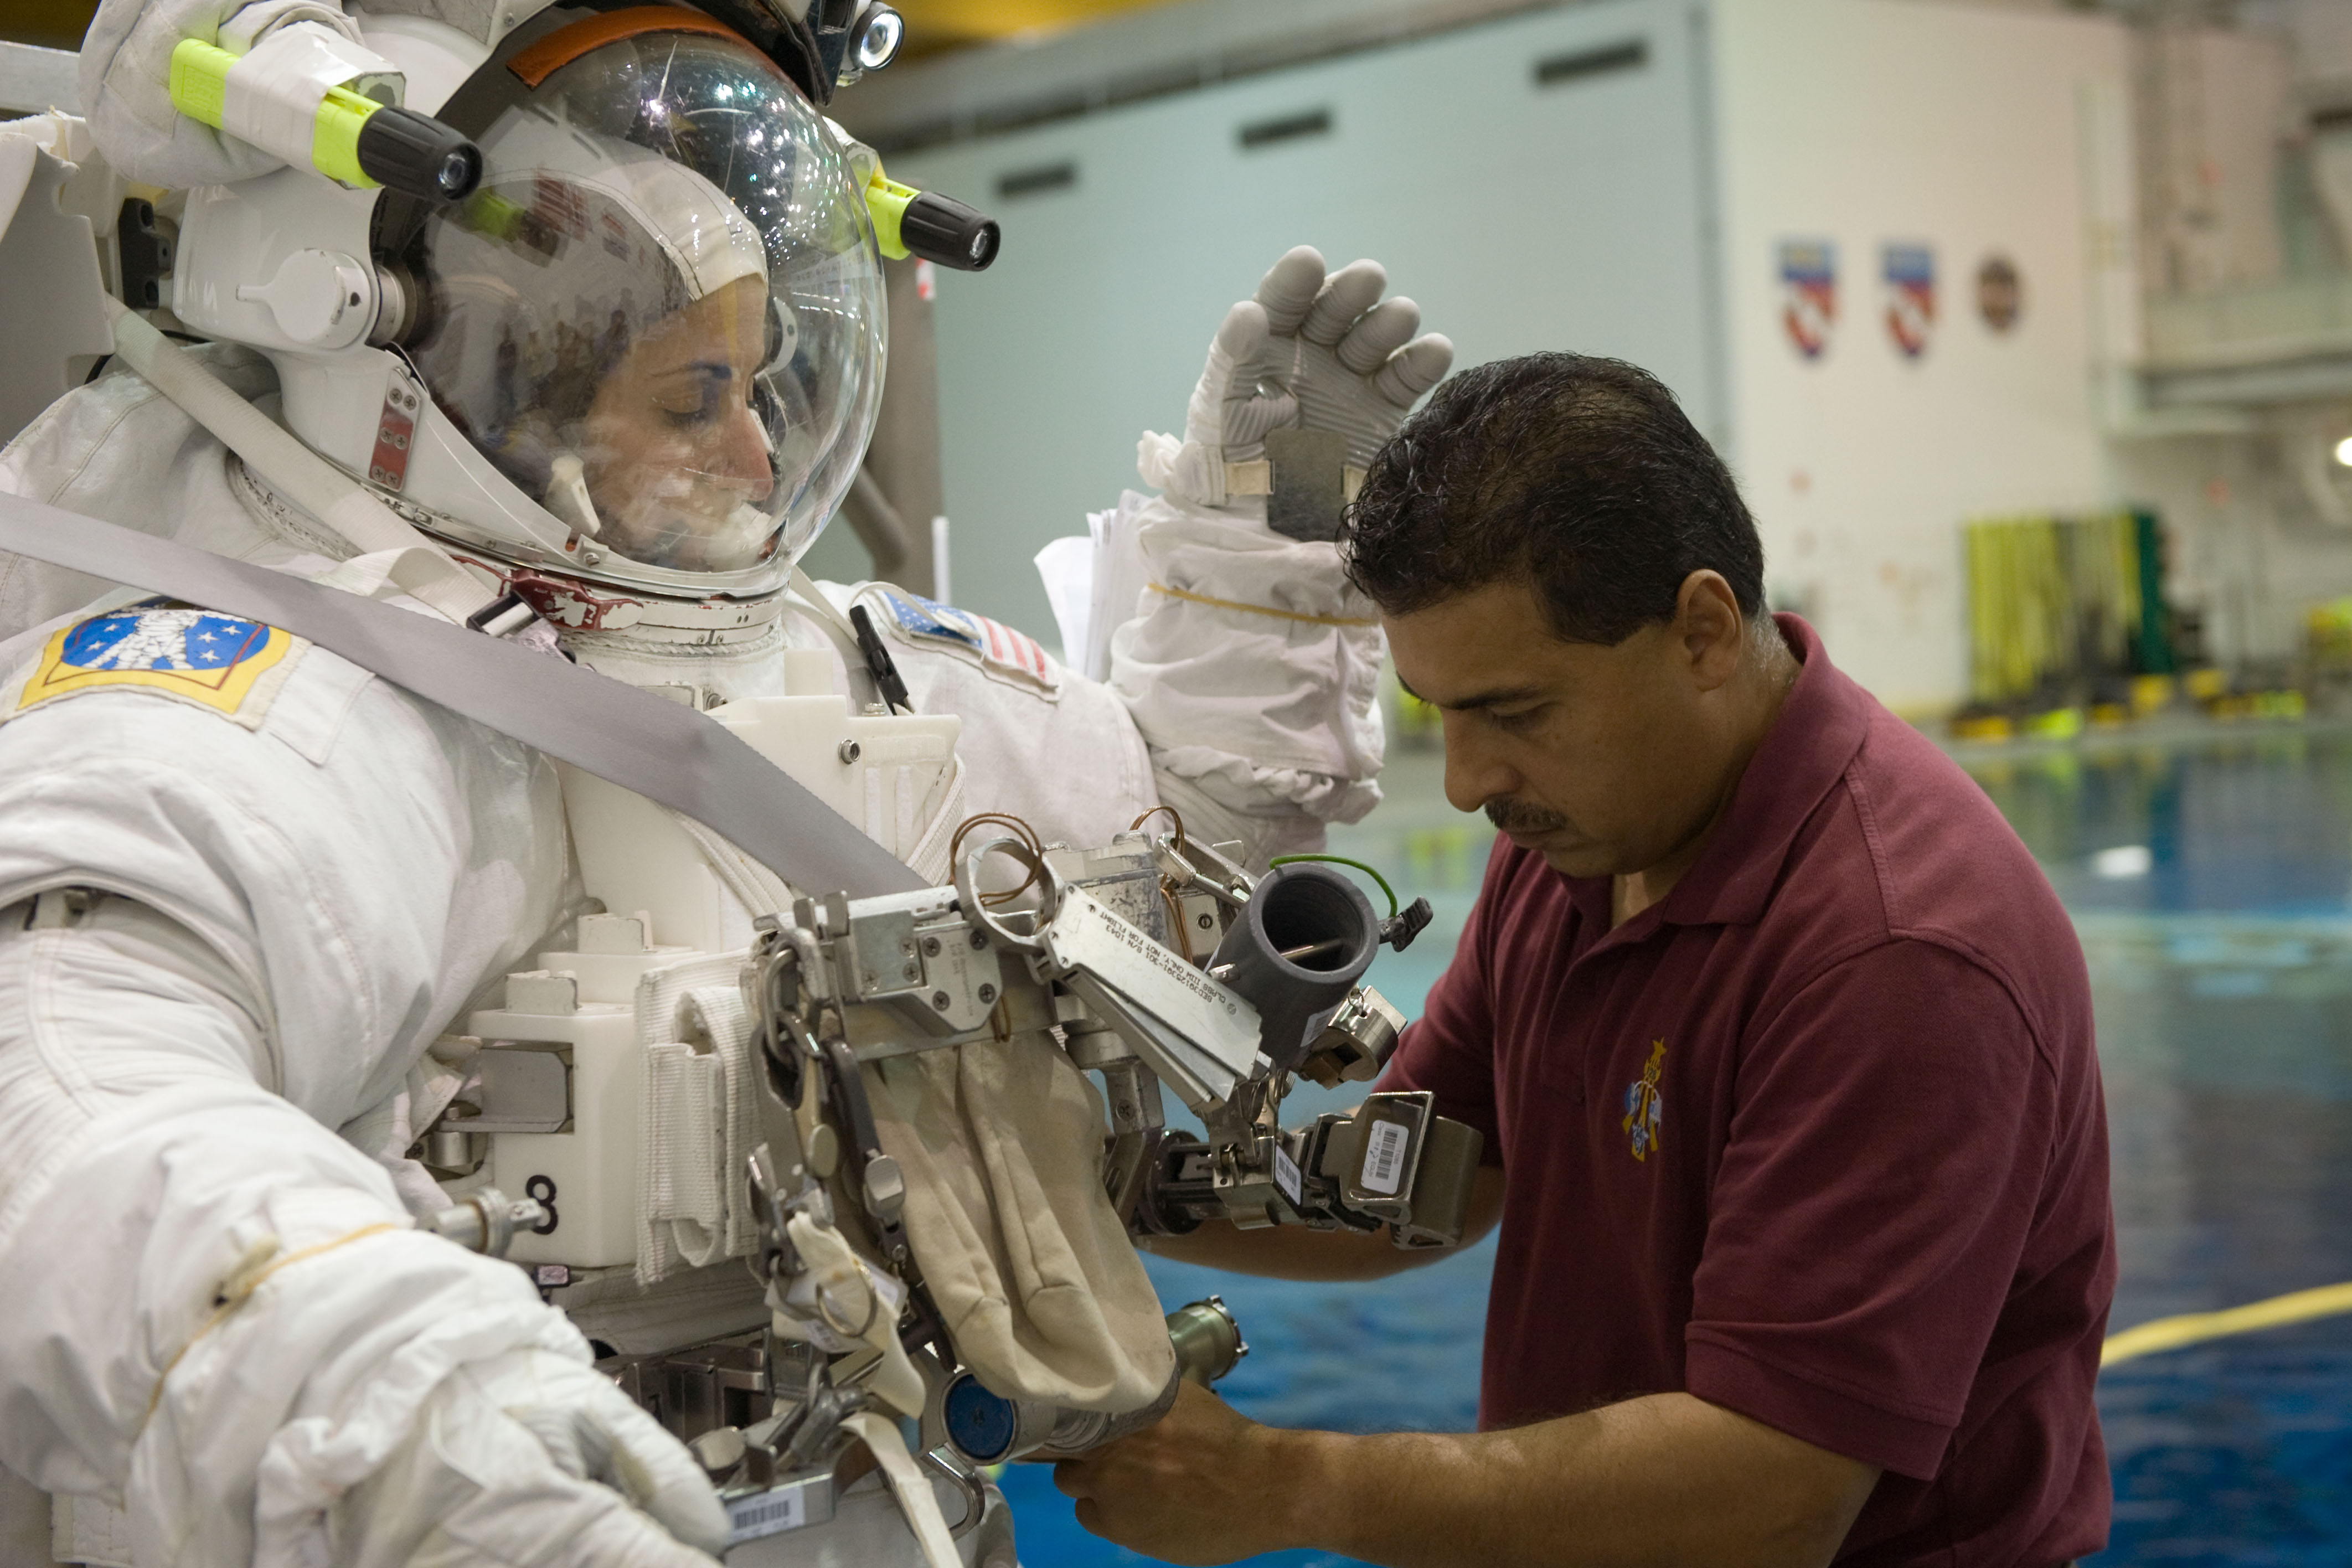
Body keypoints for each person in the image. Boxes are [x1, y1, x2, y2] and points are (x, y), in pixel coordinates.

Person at [0, 0, 1454, 1561]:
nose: (762, 461)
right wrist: (424, 1441)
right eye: (692, 401)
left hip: (872, 1494)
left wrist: (1256, 573)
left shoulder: (847, 659)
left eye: (760, 391)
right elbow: (80, 1109)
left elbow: (1161, 885)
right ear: (468, 382)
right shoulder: (280, 699)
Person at [1054, 352, 2116, 1567]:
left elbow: (1771, 1494)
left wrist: (1291, 1488)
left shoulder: (1898, 956)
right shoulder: (1583, 842)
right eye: (1438, 715)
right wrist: (1074, 1178)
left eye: (1514, 713)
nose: (1465, 784)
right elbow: (1420, 1181)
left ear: (1703, 630)